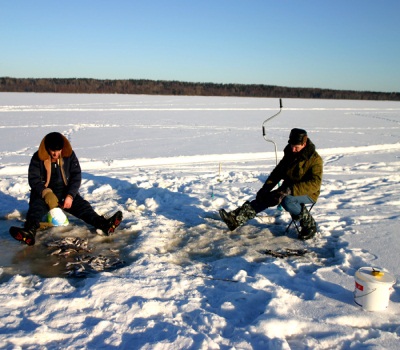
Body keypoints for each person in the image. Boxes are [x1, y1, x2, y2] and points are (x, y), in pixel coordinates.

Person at [9, 132, 123, 246]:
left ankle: (104, 225)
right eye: (53, 150)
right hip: (43, 193)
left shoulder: (69, 155)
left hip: (64, 192)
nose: (55, 154)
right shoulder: (37, 157)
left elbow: (76, 176)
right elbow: (33, 179)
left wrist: (70, 195)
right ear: (48, 148)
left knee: (83, 207)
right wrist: (45, 192)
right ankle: (29, 232)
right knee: (36, 209)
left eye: (58, 151)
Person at [219, 128, 323, 240]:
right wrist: (265, 189)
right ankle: (236, 219)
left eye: (296, 147)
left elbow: (315, 184)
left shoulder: (315, 160)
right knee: (267, 198)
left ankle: (309, 225)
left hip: (308, 193)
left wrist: (290, 189)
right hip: (286, 190)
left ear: (304, 144)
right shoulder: (290, 154)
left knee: (287, 200)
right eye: (292, 146)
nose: (293, 149)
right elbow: (277, 174)